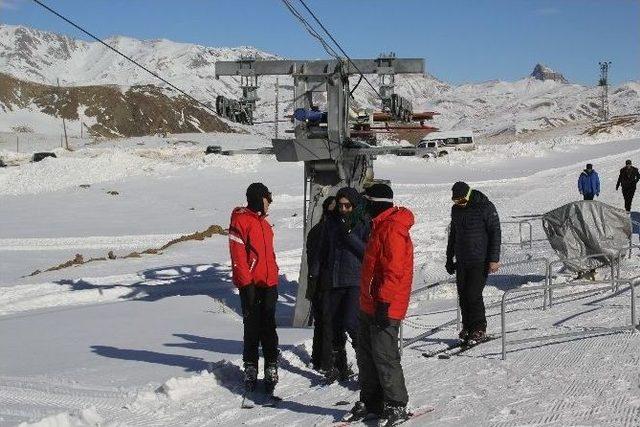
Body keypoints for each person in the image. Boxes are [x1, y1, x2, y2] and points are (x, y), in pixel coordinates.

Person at [345, 183, 414, 426]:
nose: (363, 207)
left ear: (377, 202)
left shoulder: (393, 229)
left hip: (385, 304)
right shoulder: (379, 225)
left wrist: (383, 302)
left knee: (384, 354)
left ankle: (396, 404)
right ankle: (372, 400)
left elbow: (393, 271)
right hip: (369, 303)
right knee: (365, 354)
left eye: (367, 202)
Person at [311, 187, 370, 383]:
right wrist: (315, 273)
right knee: (334, 325)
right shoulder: (331, 223)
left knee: (351, 322)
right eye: (341, 205)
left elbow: (367, 252)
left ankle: (365, 365)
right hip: (333, 279)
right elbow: (322, 249)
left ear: (354, 205)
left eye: (348, 205)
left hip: (354, 279)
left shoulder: (363, 223)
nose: (343, 209)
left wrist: (349, 236)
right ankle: (339, 366)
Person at [228, 183, 279, 393]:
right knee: (252, 327)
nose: (270, 203)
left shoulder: (265, 225)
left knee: (269, 327)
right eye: (268, 199)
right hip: (251, 285)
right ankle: (250, 366)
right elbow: (238, 257)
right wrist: (246, 284)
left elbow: (268, 255)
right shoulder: (240, 221)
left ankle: (271, 365)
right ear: (259, 199)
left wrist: (274, 273)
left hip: (269, 284)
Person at [446, 181, 501, 343]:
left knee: (473, 294)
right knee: (463, 294)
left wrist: (493, 259)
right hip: (462, 259)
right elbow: (453, 235)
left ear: (468, 196)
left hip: (480, 259)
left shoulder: (485, 206)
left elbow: (495, 232)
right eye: (455, 201)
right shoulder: (456, 210)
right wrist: (449, 258)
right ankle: (468, 326)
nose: (458, 203)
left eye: (461, 200)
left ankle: (479, 328)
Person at [305, 196, 336, 371]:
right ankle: (327, 362)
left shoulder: (315, 230)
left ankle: (317, 359)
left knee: (320, 323)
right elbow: (317, 260)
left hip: (315, 282)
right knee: (327, 323)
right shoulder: (328, 231)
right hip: (325, 282)